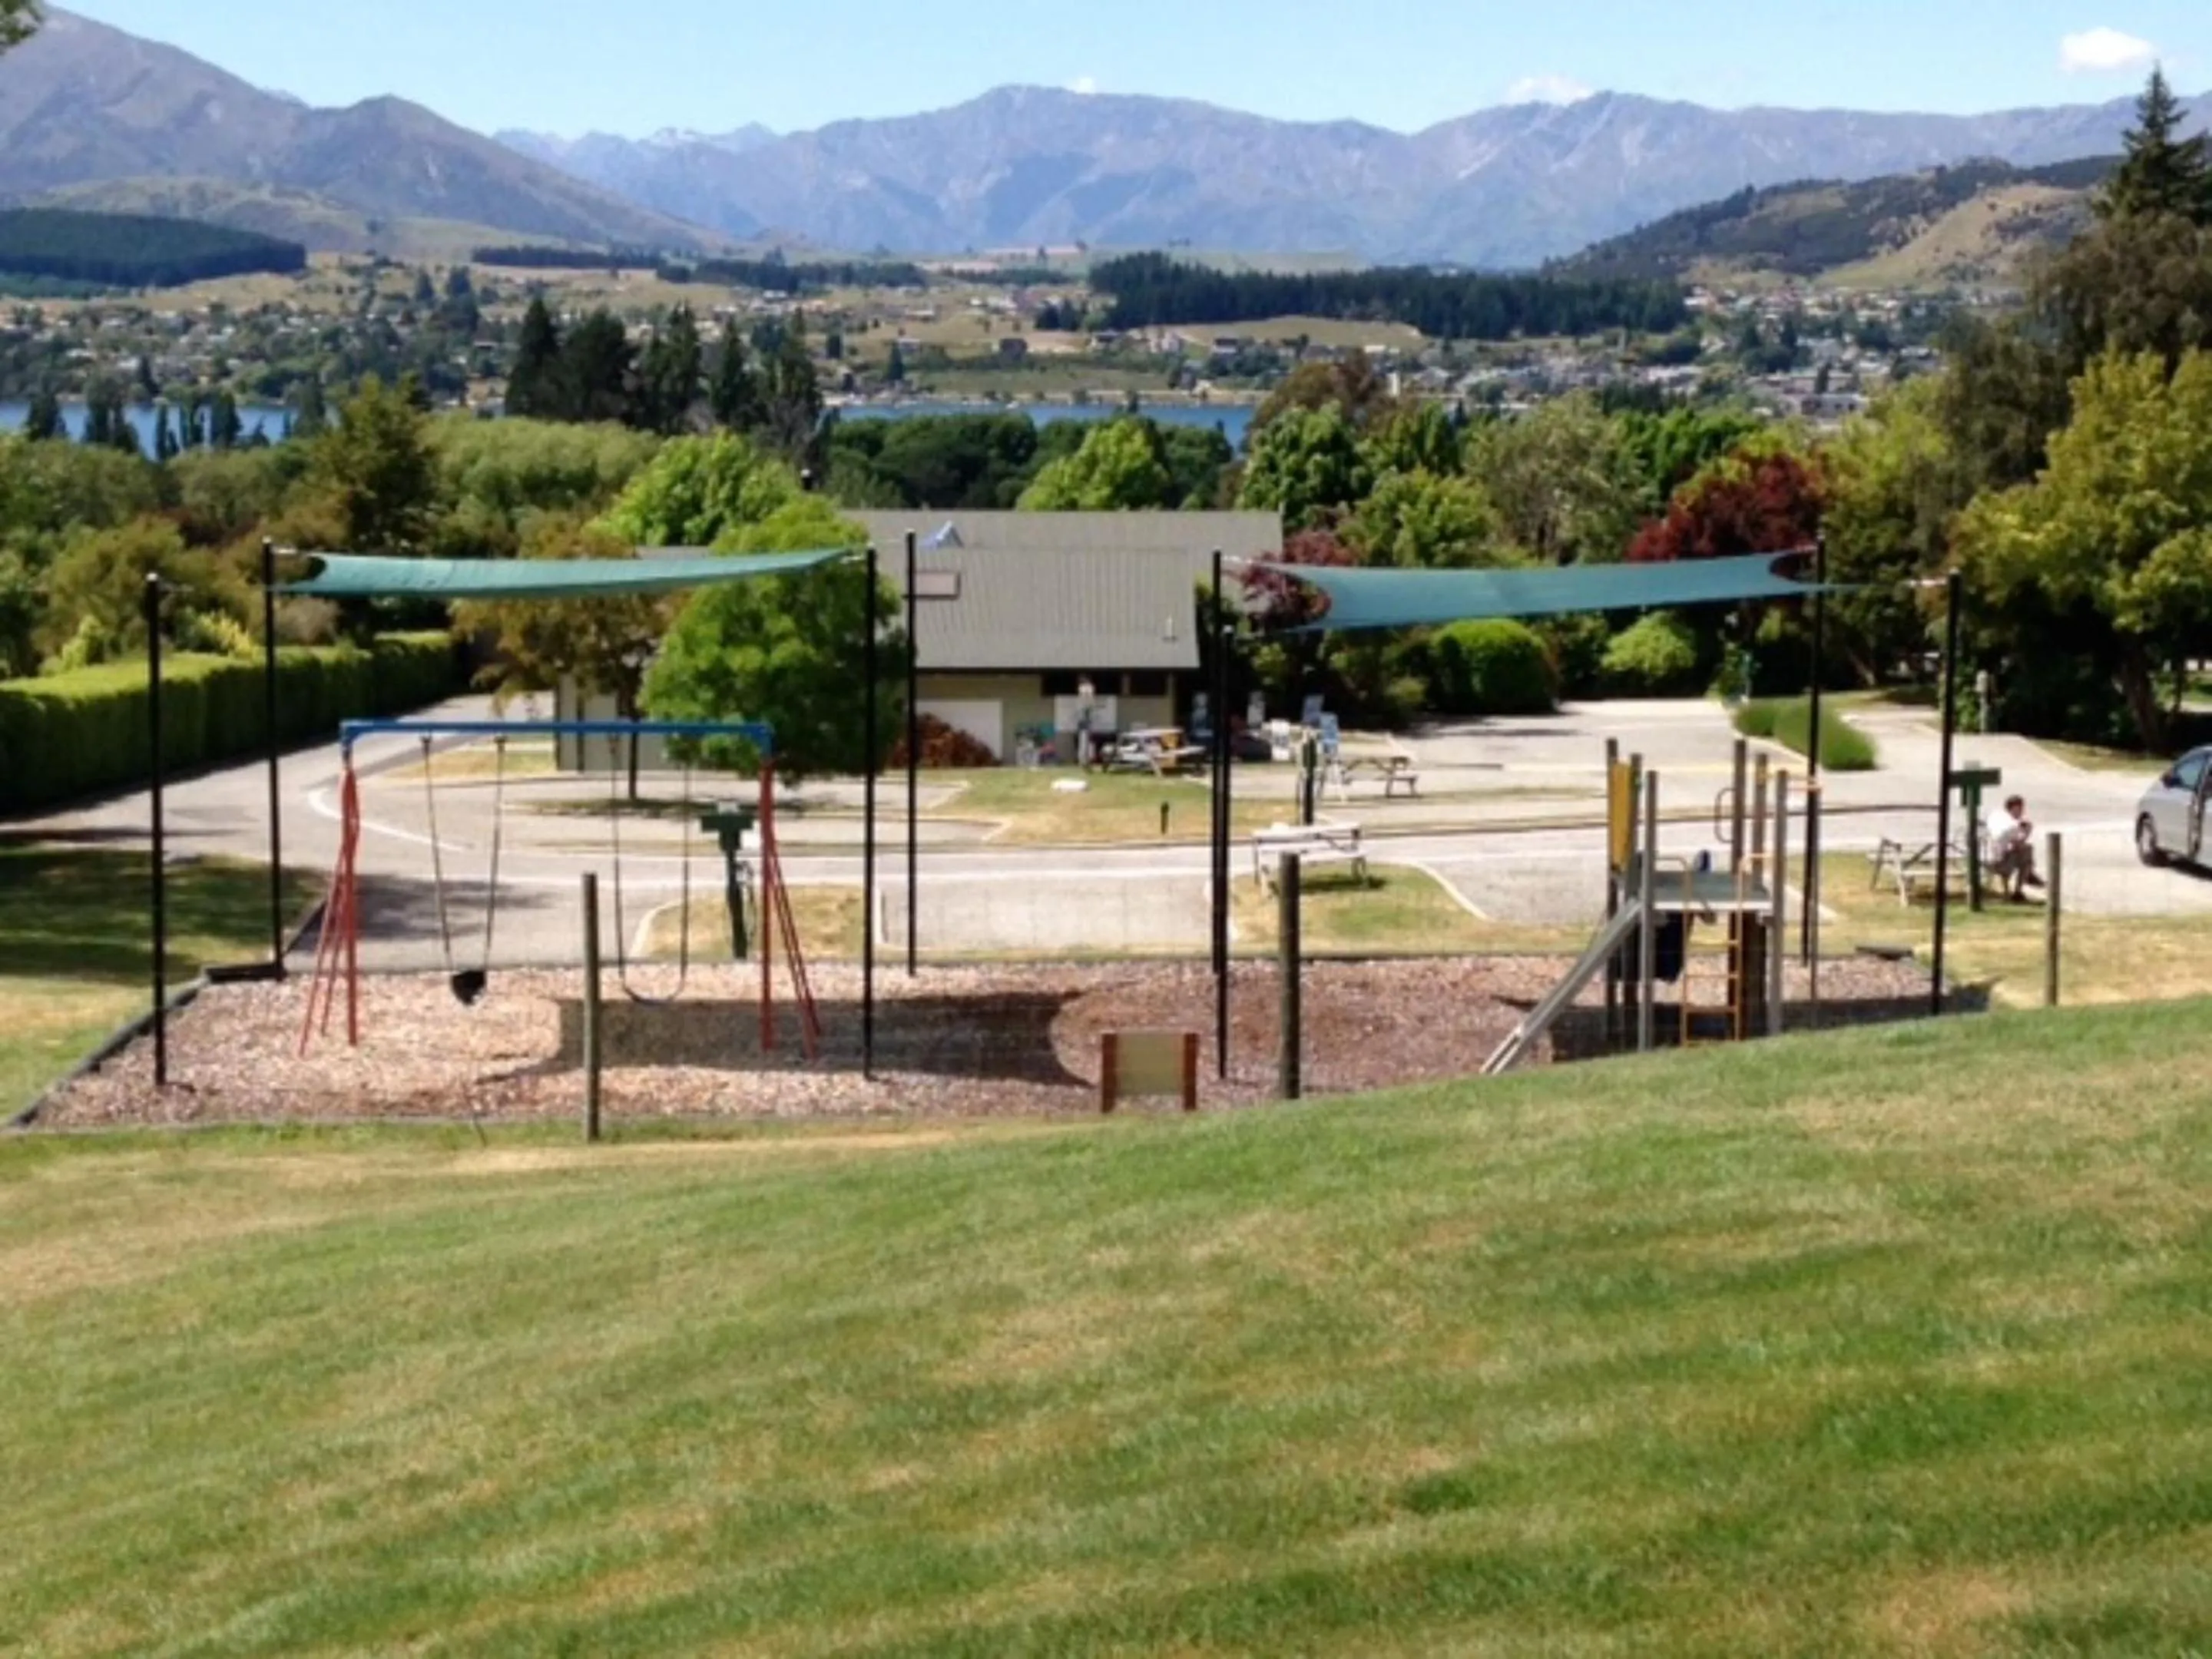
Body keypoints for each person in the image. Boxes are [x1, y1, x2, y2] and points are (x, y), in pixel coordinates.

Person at [1985, 793, 2044, 900]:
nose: (2022, 812)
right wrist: (2028, 830)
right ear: (2013, 809)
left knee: (2025, 853)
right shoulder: (2011, 826)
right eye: (2020, 809)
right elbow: (2018, 844)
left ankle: (2029, 873)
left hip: (1987, 857)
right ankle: (2021, 886)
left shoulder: (1998, 816)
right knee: (2027, 851)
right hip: (1999, 862)